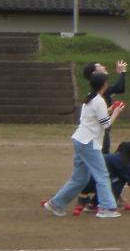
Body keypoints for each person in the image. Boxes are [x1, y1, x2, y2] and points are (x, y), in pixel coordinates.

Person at [43, 72, 125, 219]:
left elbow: (93, 118)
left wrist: (110, 111)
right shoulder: (99, 100)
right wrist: (116, 113)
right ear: (105, 85)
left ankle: (56, 203)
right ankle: (106, 207)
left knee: (80, 179)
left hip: (81, 139)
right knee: (102, 175)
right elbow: (106, 125)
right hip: (89, 141)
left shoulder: (90, 97)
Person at [78, 141, 130, 210]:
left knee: (113, 179)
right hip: (96, 184)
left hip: (84, 183)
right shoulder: (123, 163)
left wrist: (121, 199)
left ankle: (85, 200)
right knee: (121, 179)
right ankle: (96, 204)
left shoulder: (108, 156)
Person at [82, 60, 127, 154]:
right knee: (103, 159)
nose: (104, 67)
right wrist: (122, 73)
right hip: (97, 133)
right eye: (100, 66)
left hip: (88, 135)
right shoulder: (98, 97)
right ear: (94, 73)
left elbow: (120, 88)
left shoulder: (92, 95)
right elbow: (118, 88)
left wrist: (109, 110)